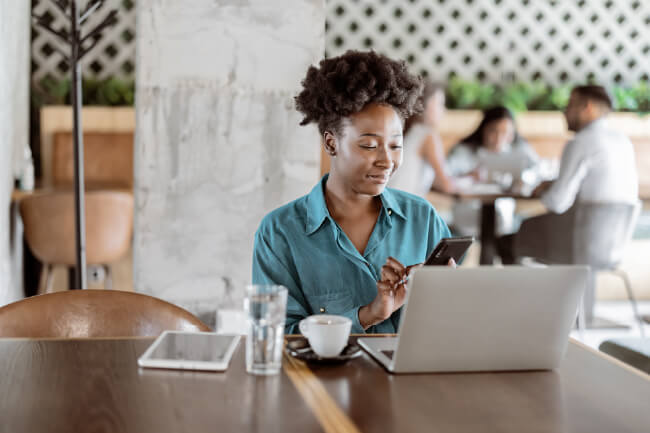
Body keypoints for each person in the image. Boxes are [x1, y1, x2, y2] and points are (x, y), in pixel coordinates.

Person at [252, 51, 452, 335]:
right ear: (331, 143)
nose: (386, 160)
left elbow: (446, 325)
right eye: (369, 145)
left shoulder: (423, 219)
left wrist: (450, 295)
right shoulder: (280, 233)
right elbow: (276, 337)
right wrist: (367, 315)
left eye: (395, 146)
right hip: (319, 380)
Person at [497, 85, 639, 264]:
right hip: (612, 246)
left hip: (579, 242)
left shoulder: (580, 143)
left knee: (505, 242)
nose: (564, 112)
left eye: (570, 105)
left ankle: (532, 292)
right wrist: (553, 183)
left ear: (587, 107)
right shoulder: (622, 141)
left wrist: (543, 190)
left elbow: (556, 203)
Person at [445, 106, 539, 235]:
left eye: (505, 133)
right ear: (484, 129)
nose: (499, 138)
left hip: (504, 219)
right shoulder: (464, 151)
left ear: (512, 134)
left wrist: (524, 180)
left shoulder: (519, 151)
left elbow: (537, 171)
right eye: (494, 131)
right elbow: (446, 176)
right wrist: (468, 176)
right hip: (469, 217)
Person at [388, 81, 455, 195]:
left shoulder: (409, 130)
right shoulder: (428, 135)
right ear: (426, 105)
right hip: (403, 207)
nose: (443, 110)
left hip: (390, 202)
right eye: (440, 104)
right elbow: (446, 185)